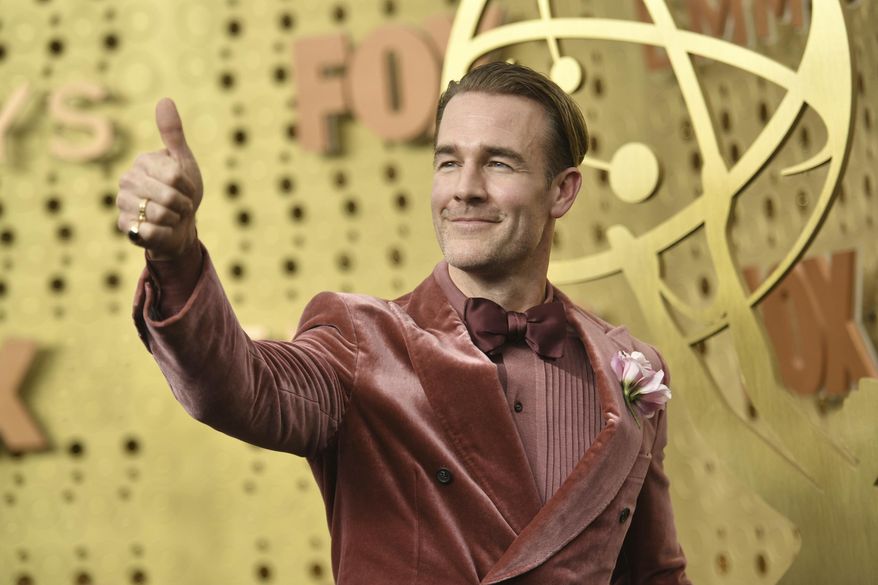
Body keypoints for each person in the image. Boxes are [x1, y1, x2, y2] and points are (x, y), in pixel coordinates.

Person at [117, 62, 690, 584]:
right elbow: (240, 389)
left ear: (562, 191)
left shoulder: (630, 371)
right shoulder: (361, 339)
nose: (464, 188)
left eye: (497, 163)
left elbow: (655, 575)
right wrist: (177, 256)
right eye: (448, 162)